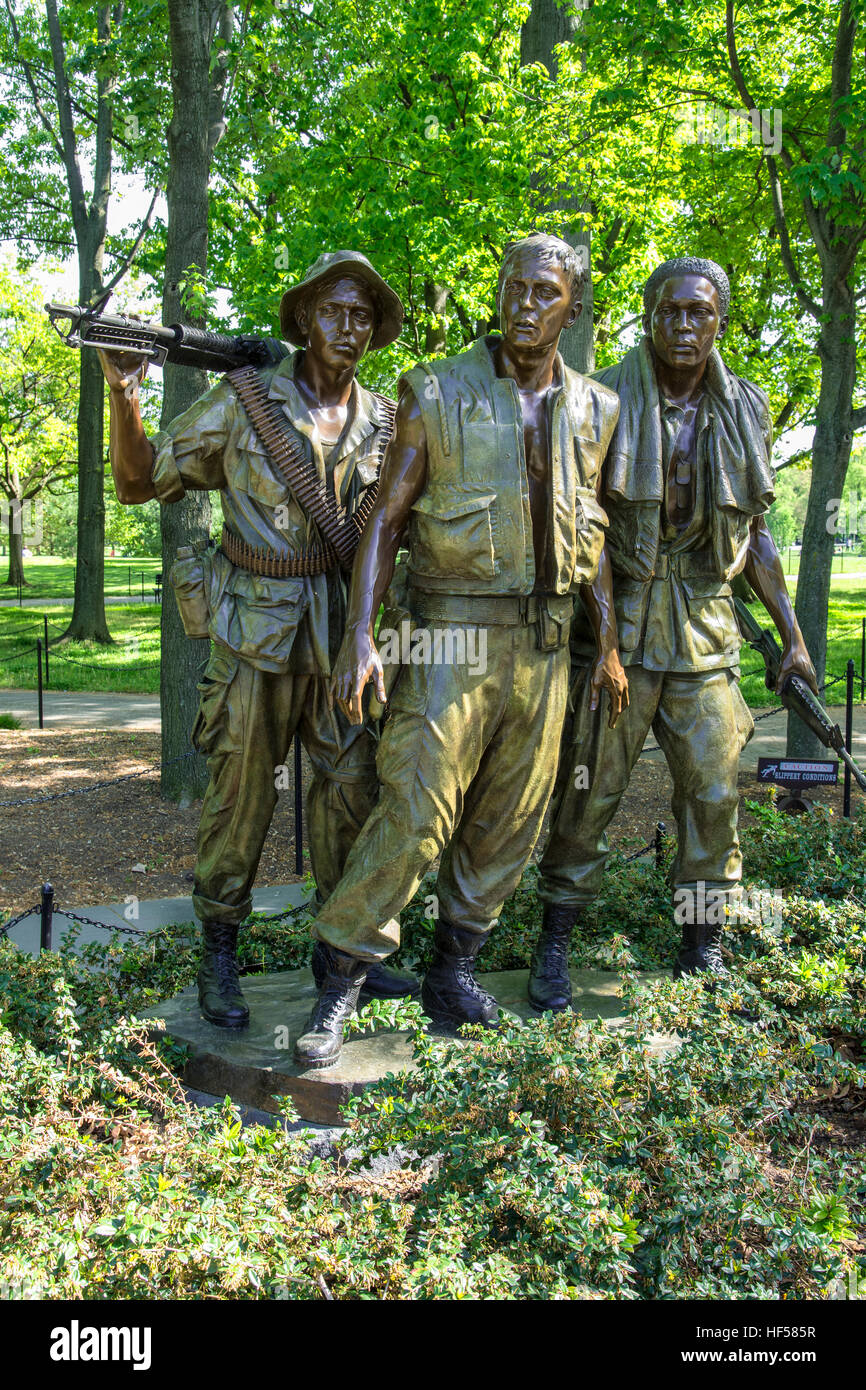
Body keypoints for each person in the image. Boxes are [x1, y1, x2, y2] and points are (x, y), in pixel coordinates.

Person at [294, 232, 625, 1068]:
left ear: (572, 307)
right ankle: (338, 982)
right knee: (413, 811)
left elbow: (594, 536)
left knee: (509, 822)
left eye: (544, 293)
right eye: (513, 286)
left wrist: (610, 646)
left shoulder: (597, 407)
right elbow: (387, 521)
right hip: (451, 634)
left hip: (547, 644)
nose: (523, 304)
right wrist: (361, 634)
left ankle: (455, 972)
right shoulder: (435, 390)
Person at [97, 250, 418, 1027]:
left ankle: (342, 960)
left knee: (351, 795)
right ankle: (219, 956)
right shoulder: (242, 402)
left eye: (364, 315)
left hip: (345, 640)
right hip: (252, 635)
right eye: (334, 311)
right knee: (239, 801)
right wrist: (125, 397)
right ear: (304, 319)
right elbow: (140, 483)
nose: (349, 327)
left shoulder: (387, 420)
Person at [531, 256, 817, 1010]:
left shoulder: (746, 408)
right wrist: (611, 647)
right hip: (615, 630)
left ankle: (703, 943)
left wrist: (791, 635)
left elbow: (754, 535)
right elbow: (583, 529)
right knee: (588, 791)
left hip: (704, 629)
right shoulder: (598, 400)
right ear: (648, 316)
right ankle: (554, 942)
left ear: (718, 320)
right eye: (671, 312)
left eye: (700, 313)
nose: (685, 327)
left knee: (714, 793)